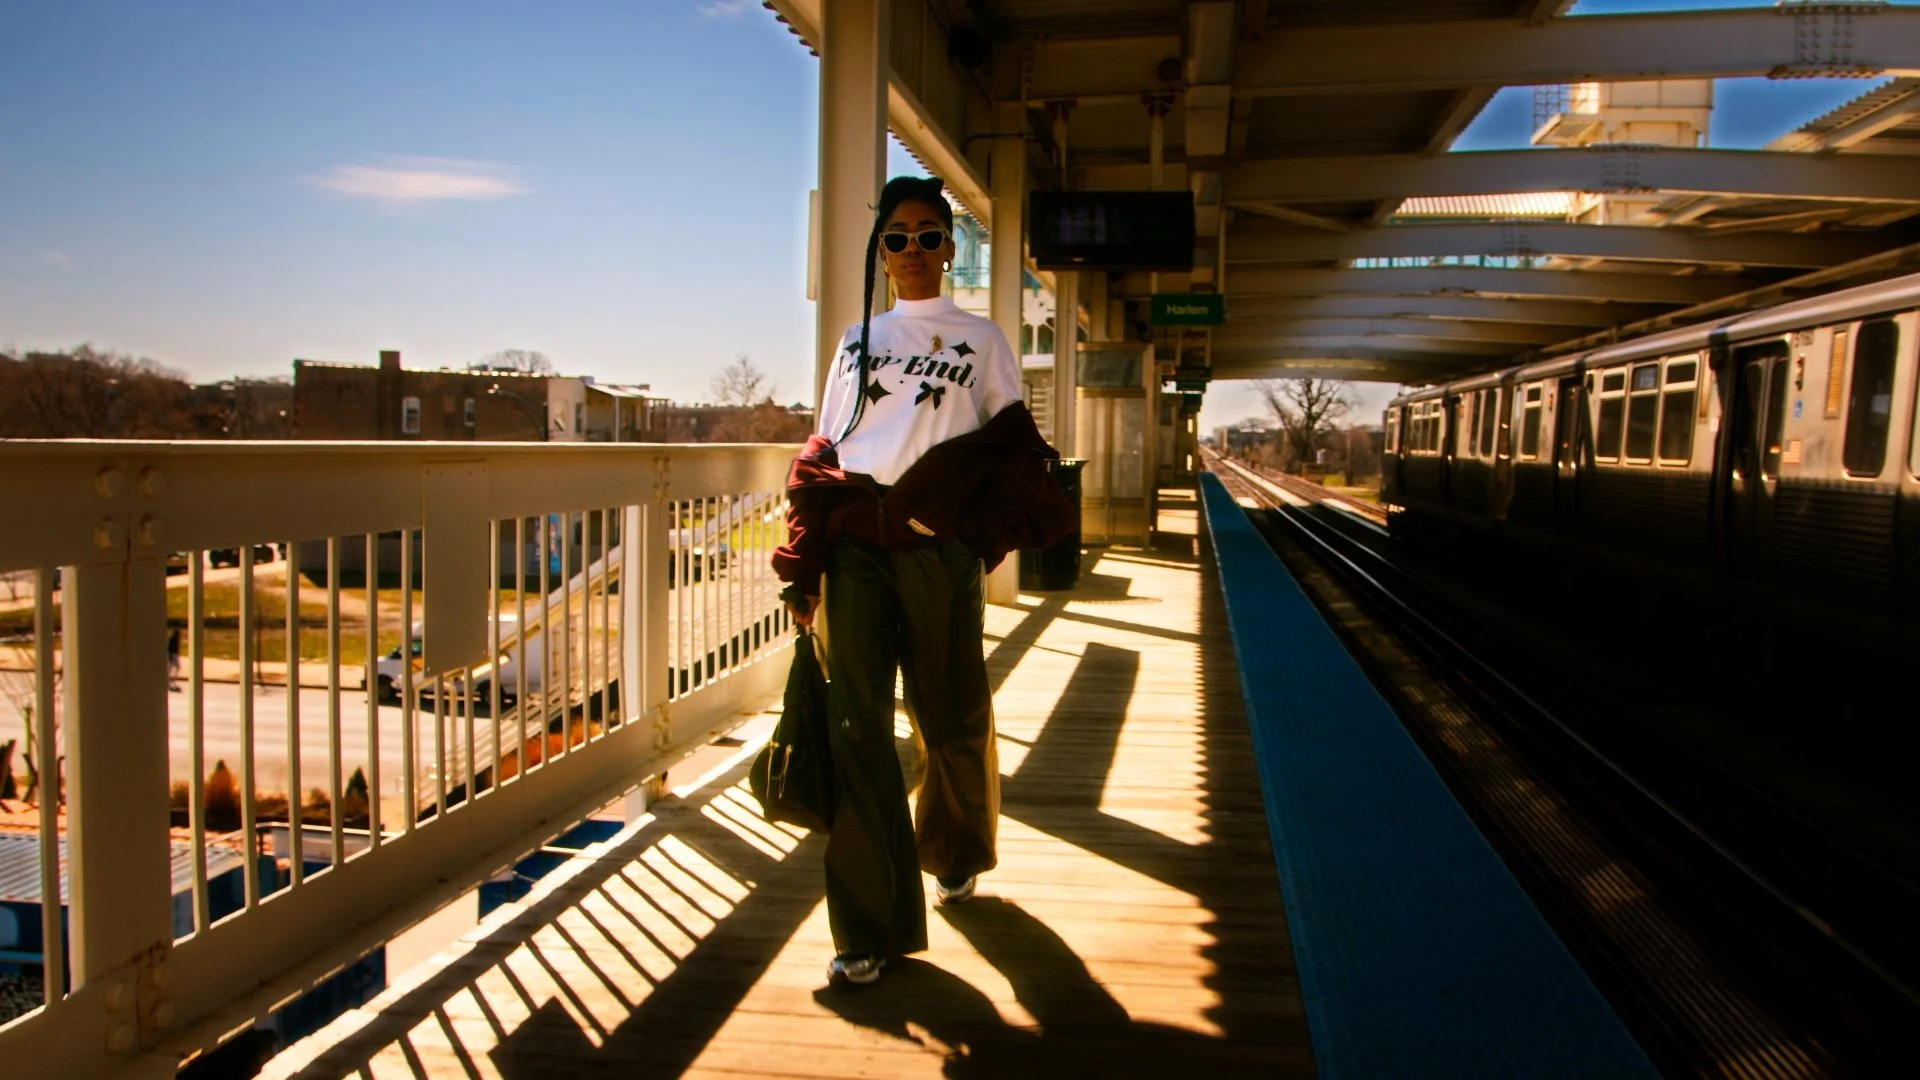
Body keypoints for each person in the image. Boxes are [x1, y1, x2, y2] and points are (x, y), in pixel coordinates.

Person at [773, 175, 1076, 987]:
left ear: (950, 247)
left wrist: (955, 526)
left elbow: (1011, 449)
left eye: (928, 235)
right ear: (881, 252)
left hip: (935, 549)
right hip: (855, 544)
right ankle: (868, 925)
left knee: (948, 716)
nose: (912, 251)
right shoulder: (855, 339)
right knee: (857, 728)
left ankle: (954, 848)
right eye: (896, 238)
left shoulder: (981, 340)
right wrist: (804, 562)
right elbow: (825, 446)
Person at [167, 625, 182, 691]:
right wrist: (170, 655)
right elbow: (170, 649)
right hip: (173, 654)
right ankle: (171, 681)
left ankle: (170, 681)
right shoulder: (173, 640)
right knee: (173, 668)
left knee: (171, 668)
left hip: (173, 654)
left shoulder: (173, 639)